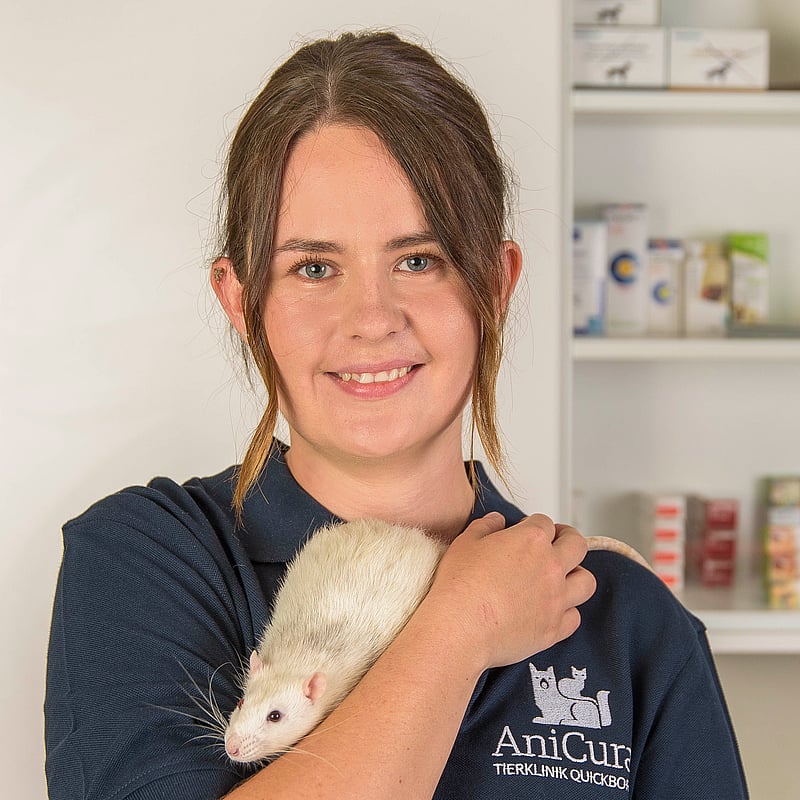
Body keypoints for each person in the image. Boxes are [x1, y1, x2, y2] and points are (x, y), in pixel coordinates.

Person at [44, 29, 748, 800]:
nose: (371, 318)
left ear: (497, 284)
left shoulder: (624, 621)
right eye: (314, 268)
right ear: (241, 300)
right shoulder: (149, 563)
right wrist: (459, 628)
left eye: (418, 260)